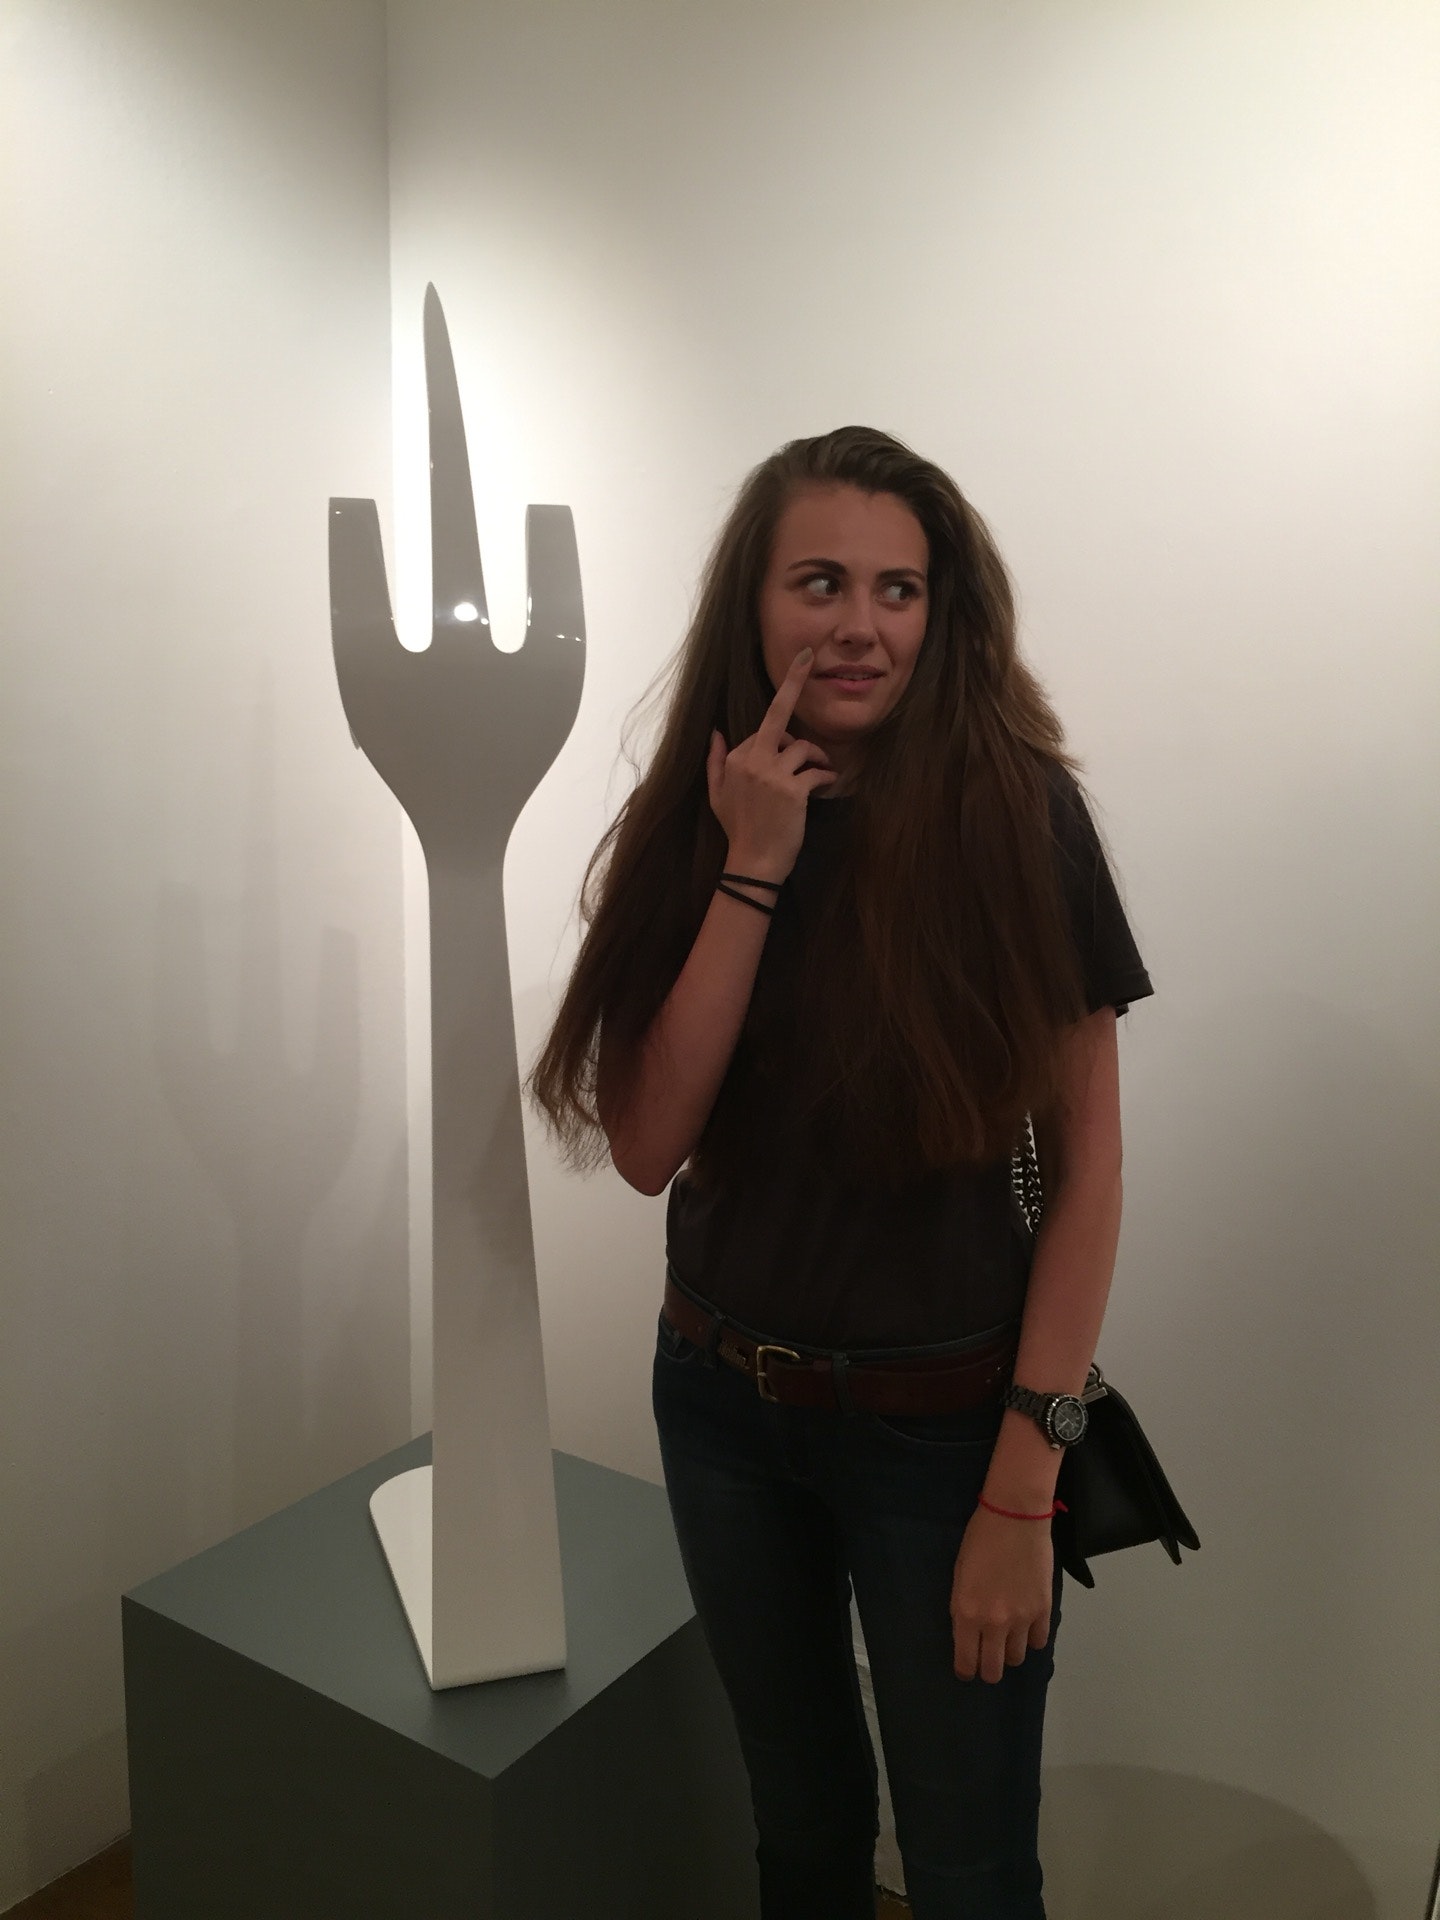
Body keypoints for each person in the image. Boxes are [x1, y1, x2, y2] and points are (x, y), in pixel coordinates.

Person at [526, 425, 1153, 1920]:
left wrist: (1025, 1485)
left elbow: (1089, 1169)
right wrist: (754, 857)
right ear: (754, 603)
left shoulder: (1024, 818)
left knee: (968, 1866)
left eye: (898, 589)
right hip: (724, 1410)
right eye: (820, 582)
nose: (860, 624)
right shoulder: (698, 817)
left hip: (950, 1439)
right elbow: (648, 1145)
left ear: (944, 614)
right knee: (801, 1831)